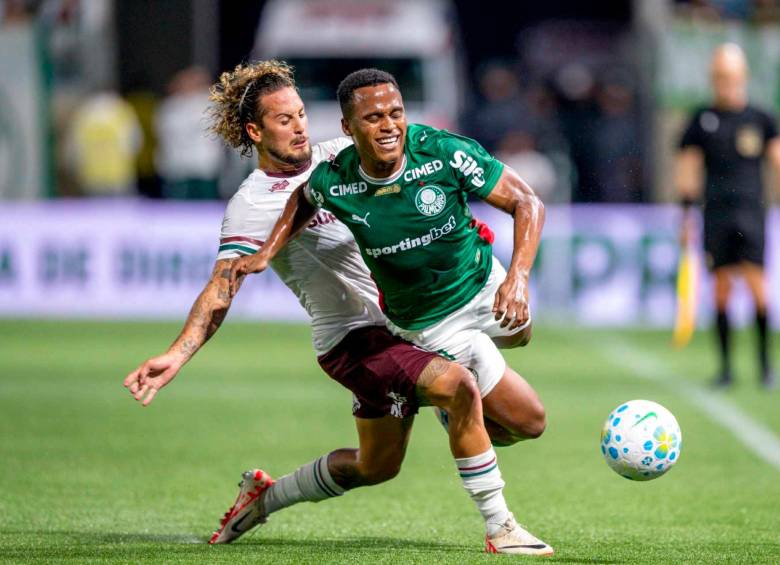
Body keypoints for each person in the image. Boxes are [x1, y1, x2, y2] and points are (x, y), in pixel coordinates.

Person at [123, 61, 553, 556]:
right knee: (457, 388)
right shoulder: (251, 204)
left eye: (301, 113)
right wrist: (177, 354)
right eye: (283, 119)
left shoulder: (338, 157)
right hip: (355, 340)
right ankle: (501, 528)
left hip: (408, 324)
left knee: (397, 460)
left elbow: (348, 181)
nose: (300, 125)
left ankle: (266, 496)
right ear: (254, 130)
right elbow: (223, 286)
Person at [676, 43, 780, 389]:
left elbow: (777, 161)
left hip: (751, 212)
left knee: (757, 289)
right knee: (720, 290)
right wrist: (686, 216)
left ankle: (765, 367)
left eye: (731, 76)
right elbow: (688, 168)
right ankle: (725, 369)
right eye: (719, 77)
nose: (726, 83)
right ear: (713, 79)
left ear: (743, 77)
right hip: (716, 213)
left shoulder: (761, 119)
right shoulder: (701, 119)